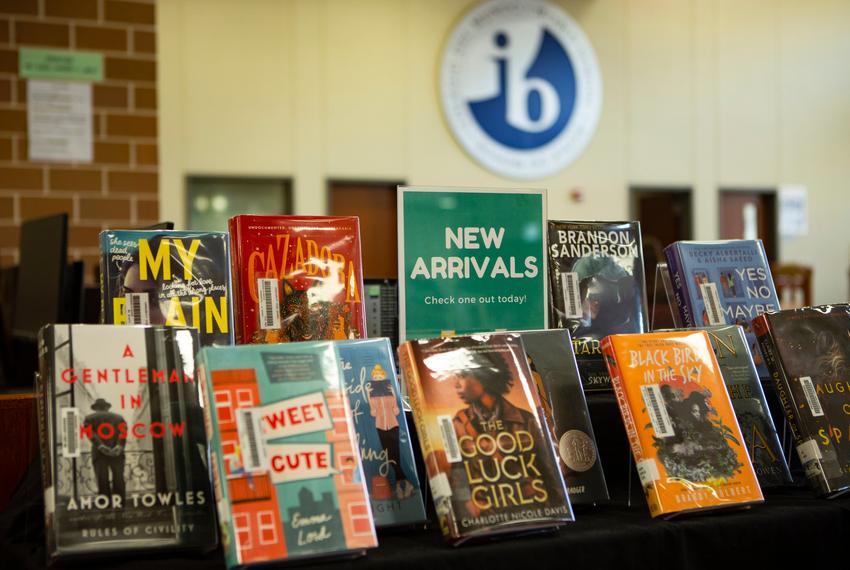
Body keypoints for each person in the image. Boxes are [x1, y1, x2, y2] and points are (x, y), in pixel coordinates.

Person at [445, 349, 549, 518]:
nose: (456, 384)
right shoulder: (457, 423)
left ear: (484, 375)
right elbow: (458, 475)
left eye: (462, 375)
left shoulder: (527, 419)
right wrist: (467, 508)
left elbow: (548, 471)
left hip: (530, 510)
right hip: (485, 515)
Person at [367, 364, 414, 500]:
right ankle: (404, 484)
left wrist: (393, 398)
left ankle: (400, 485)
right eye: (375, 377)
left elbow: (396, 409)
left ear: (384, 376)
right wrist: (369, 395)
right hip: (380, 425)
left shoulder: (390, 390)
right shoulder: (372, 393)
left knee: (396, 455)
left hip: (393, 424)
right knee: (390, 457)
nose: (377, 378)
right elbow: (373, 411)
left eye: (380, 376)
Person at [83, 398, 127, 500]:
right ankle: (120, 504)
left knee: (102, 479)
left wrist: (101, 446)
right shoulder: (119, 418)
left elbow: (90, 433)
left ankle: (105, 505)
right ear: (107, 407)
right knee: (118, 478)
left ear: (96, 408)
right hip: (117, 453)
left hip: (99, 453)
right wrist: (119, 446)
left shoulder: (89, 418)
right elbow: (123, 432)